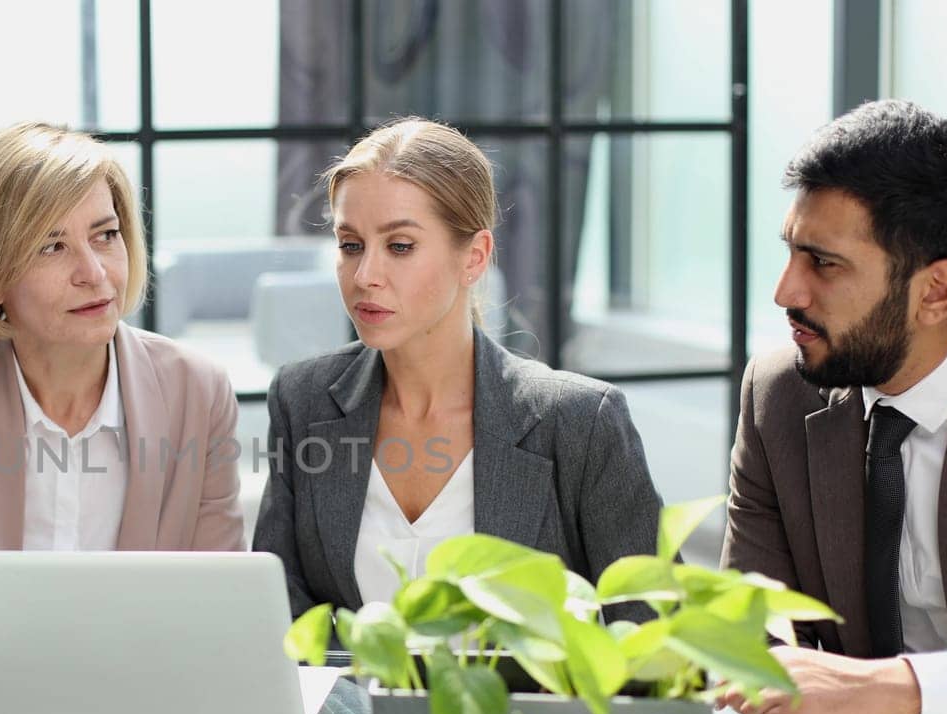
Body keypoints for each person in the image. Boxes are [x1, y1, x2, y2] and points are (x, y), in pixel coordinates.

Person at [252, 117, 662, 623]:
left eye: (400, 246)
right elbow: (276, 618)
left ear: (474, 257)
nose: (365, 276)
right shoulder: (303, 400)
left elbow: (656, 640)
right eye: (350, 244)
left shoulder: (579, 422)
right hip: (346, 705)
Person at [0, 122, 244, 664]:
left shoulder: (196, 389)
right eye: (52, 246)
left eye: (106, 235)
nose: (94, 273)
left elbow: (220, 599)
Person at [719, 99, 947, 714]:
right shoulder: (780, 396)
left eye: (824, 263)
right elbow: (751, 630)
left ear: (936, 292)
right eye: (792, 252)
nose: (785, 292)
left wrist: (897, 689)